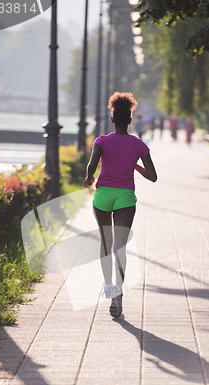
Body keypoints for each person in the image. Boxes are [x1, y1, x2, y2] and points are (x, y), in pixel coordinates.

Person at [84, 92, 157, 318]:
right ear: (130, 120)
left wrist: (89, 179)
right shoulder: (138, 145)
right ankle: (119, 294)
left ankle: (109, 288)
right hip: (126, 196)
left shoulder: (102, 141)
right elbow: (153, 176)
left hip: (104, 195)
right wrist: (135, 167)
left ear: (112, 119)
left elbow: (92, 166)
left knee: (106, 243)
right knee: (120, 247)